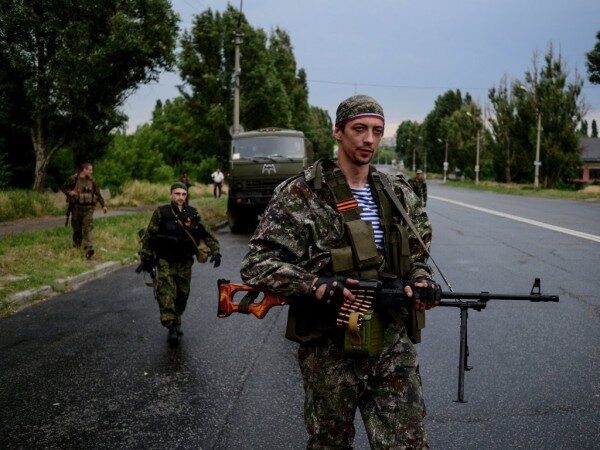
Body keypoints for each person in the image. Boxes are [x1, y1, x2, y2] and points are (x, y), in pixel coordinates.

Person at [241, 94, 441, 449]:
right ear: (338, 131)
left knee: (408, 444)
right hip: (328, 347)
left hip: (391, 341)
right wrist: (314, 284)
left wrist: (422, 281)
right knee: (330, 444)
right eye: (359, 129)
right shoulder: (301, 194)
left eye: (377, 131)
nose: (369, 139)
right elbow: (257, 263)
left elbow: (416, 253)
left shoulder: (397, 193)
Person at [138, 182, 221, 345]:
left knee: (182, 295)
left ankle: (176, 320)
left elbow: (206, 233)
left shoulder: (193, 213)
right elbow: (149, 235)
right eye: (177, 194)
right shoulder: (161, 212)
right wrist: (145, 257)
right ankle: (170, 326)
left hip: (185, 262)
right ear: (171, 195)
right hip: (165, 261)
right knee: (166, 293)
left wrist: (216, 252)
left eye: (183, 194)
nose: (180, 197)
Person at [61, 162, 107, 259]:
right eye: (90, 170)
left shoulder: (92, 181)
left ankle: (88, 249)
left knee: (88, 228)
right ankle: (77, 246)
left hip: (88, 209)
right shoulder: (74, 178)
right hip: (76, 209)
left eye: (91, 169)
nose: (91, 171)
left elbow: (98, 194)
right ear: (84, 170)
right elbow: (64, 187)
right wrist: (70, 192)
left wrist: (103, 205)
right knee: (77, 230)